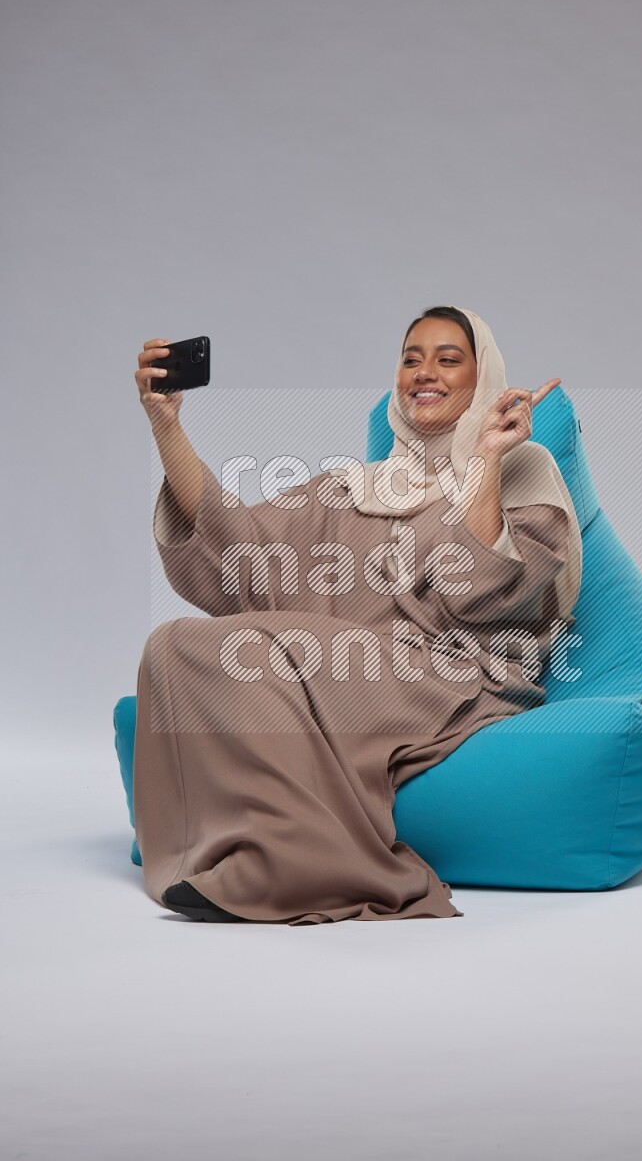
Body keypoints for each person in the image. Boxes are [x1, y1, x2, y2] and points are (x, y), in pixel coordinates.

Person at [132, 305, 582, 925]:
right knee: (176, 645)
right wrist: (166, 427)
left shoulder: (521, 465)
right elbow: (236, 544)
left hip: (457, 674)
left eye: (449, 359)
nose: (424, 372)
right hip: (353, 667)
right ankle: (241, 850)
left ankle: (306, 867)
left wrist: (486, 459)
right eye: (411, 359)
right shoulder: (353, 488)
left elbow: (481, 590)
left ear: (483, 378)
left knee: (272, 649)